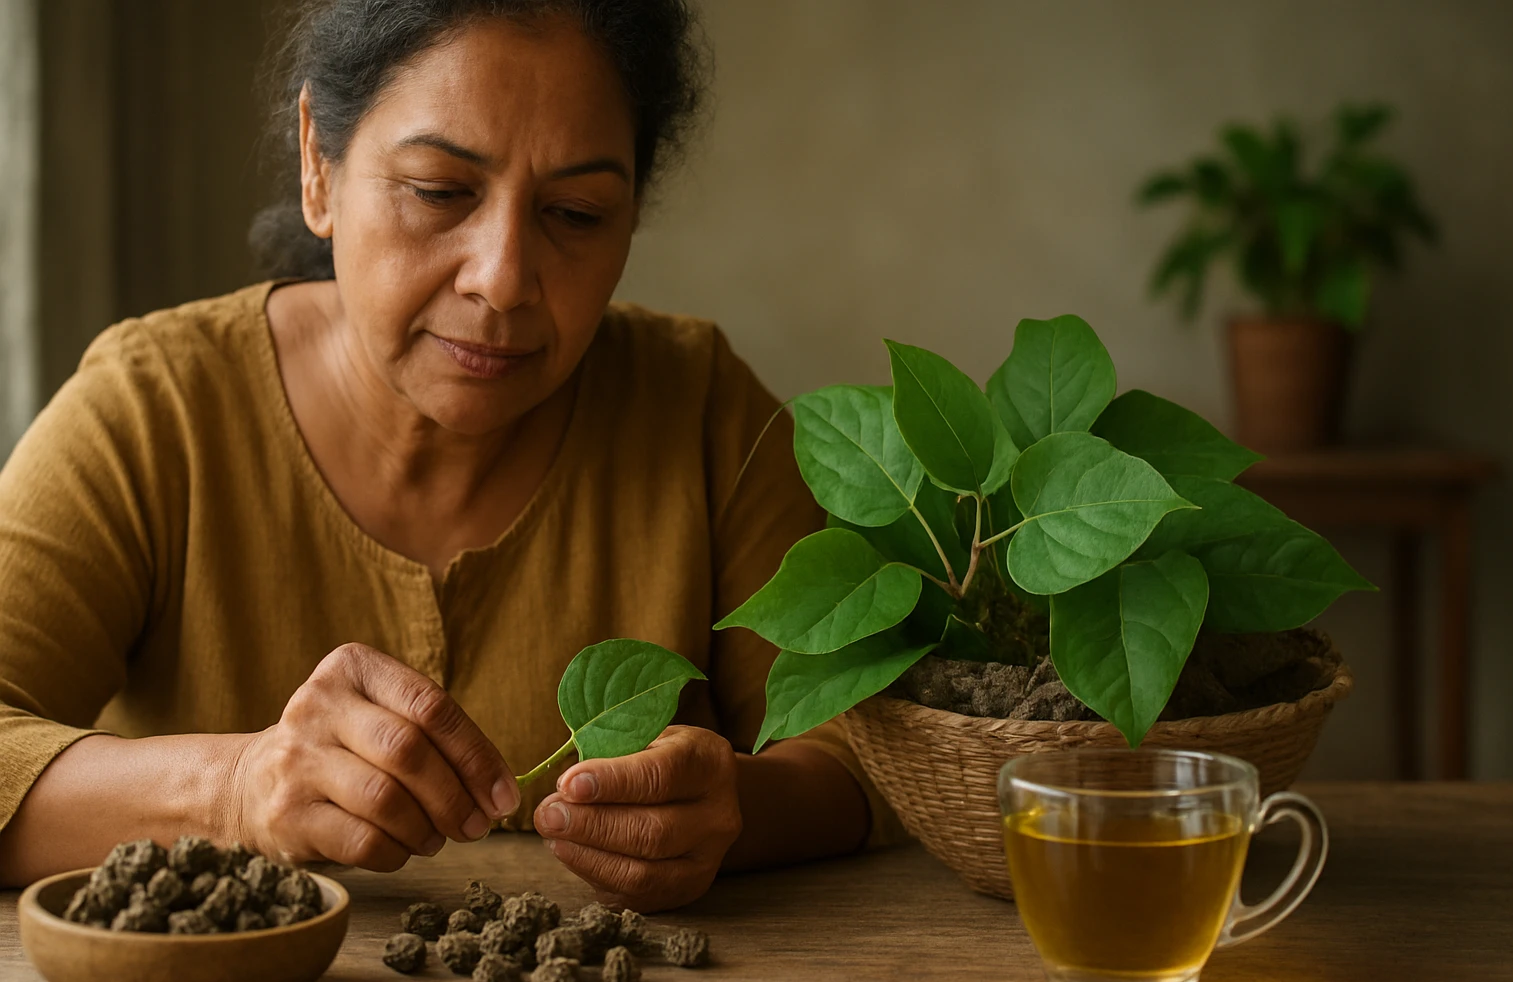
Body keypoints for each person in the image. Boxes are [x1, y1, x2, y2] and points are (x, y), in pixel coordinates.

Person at [0, 0, 892, 912]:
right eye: (438, 191)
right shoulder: (156, 413)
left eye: (576, 214)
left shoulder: (700, 412)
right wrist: (234, 789)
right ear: (320, 163)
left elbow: (863, 753)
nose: (502, 278)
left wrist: (735, 810)